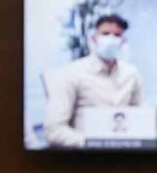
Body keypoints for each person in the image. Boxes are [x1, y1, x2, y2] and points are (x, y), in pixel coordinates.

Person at [45, 14, 143, 148]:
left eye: (117, 35)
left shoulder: (131, 74)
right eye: (105, 33)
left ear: (123, 41)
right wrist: (92, 143)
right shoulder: (71, 73)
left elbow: (140, 118)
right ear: (94, 38)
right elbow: (54, 130)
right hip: (84, 158)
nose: (111, 39)